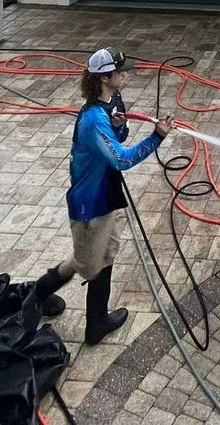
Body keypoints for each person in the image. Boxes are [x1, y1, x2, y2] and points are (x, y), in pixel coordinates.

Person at [33, 48, 174, 344]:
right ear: (104, 77)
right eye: (120, 71)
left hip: (107, 197)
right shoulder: (92, 120)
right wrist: (157, 137)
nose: (126, 74)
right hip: (90, 205)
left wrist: (120, 126)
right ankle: (63, 310)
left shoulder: (112, 100)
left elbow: (117, 140)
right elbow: (121, 159)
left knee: (104, 255)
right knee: (87, 264)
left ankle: (92, 314)